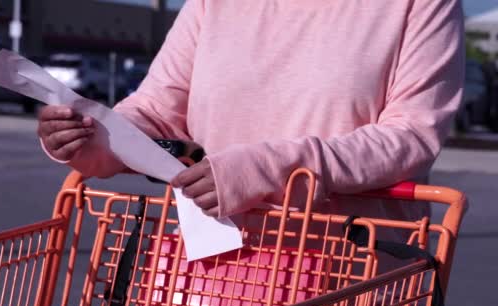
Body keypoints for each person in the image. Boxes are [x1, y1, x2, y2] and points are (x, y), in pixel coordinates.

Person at [37, 0, 463, 224]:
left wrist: (265, 170)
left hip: (350, 289)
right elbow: (157, 109)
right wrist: (95, 136)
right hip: (210, 283)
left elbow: (410, 135)